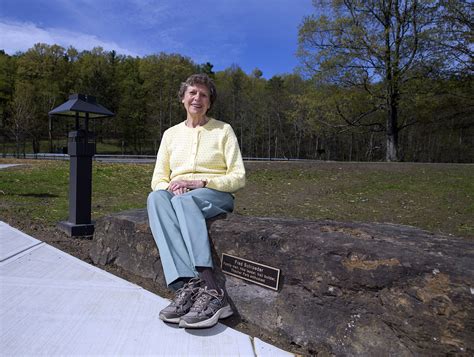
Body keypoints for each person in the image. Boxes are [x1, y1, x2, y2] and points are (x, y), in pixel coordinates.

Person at [147, 73, 246, 329]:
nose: (197, 98)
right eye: (192, 93)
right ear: (182, 98)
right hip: (179, 194)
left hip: (214, 194)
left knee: (184, 202)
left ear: (210, 102)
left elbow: (238, 177)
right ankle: (187, 288)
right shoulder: (170, 135)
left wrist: (201, 183)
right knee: (156, 199)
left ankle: (213, 291)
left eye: (203, 95)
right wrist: (170, 188)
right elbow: (158, 177)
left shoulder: (223, 130)